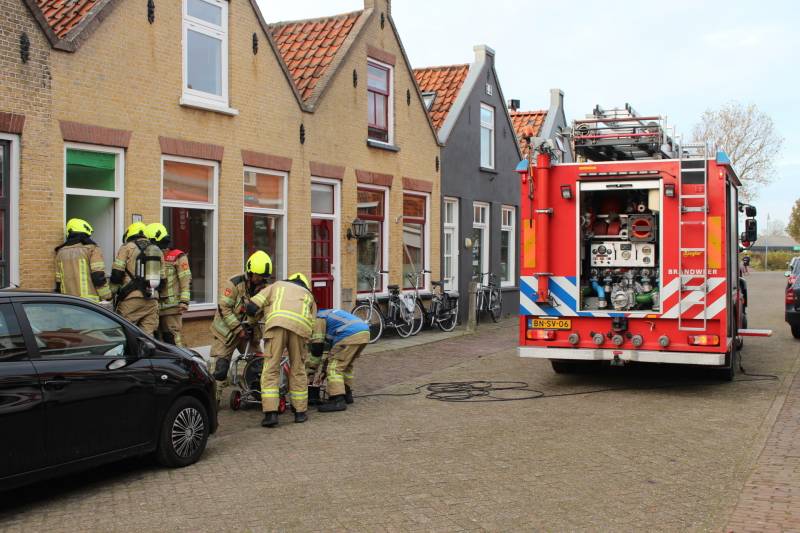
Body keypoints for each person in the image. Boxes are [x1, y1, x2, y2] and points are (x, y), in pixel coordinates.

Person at [247, 272, 317, 428]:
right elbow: (313, 323)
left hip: (276, 325)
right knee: (298, 369)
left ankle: (271, 414)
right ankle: (300, 413)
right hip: (300, 329)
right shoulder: (309, 295)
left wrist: (252, 319)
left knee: (271, 368)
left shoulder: (277, 286)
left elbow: (252, 306)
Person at [209, 251, 271, 405]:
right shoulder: (234, 283)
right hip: (227, 333)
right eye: (258, 276)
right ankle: (212, 401)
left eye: (263, 277)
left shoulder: (264, 288)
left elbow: (266, 311)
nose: (260, 280)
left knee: (257, 365)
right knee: (220, 368)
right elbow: (224, 308)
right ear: (250, 272)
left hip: (248, 333)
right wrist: (239, 329)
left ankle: (256, 393)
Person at [307, 309, 370, 412]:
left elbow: (317, 349)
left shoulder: (319, 318)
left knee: (334, 369)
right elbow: (332, 353)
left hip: (348, 335)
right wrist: (323, 370)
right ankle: (347, 395)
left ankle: (337, 400)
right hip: (364, 333)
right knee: (346, 365)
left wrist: (311, 371)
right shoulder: (330, 316)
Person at [111, 222, 162, 335]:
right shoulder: (156, 250)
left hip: (131, 300)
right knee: (147, 338)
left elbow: (116, 274)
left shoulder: (127, 247)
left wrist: (111, 295)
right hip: (152, 299)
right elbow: (163, 278)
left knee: (124, 334)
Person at [145, 223, 191, 347]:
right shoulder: (152, 256)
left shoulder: (178, 256)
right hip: (154, 306)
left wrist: (184, 301)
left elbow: (185, 279)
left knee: (172, 338)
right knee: (157, 340)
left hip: (172, 307)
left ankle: (181, 361)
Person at [54, 218, 112, 303]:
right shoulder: (92, 249)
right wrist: (107, 296)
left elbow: (58, 282)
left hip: (68, 303)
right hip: (88, 305)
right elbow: (98, 276)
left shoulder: (60, 252)